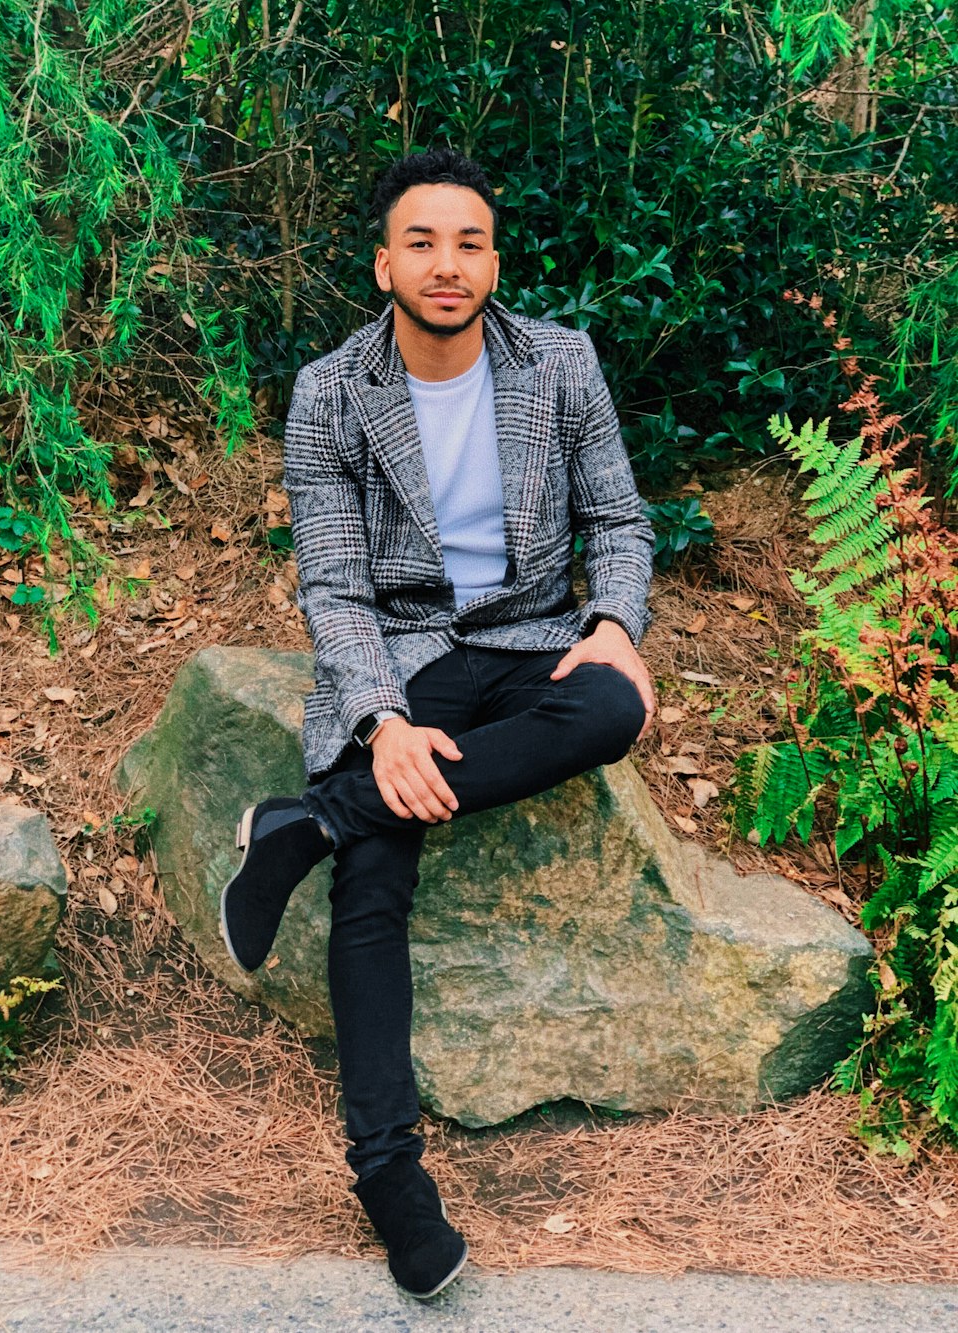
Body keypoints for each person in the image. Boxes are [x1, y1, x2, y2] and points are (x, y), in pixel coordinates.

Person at [220, 148, 656, 1299]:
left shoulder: (559, 363)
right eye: (421, 241)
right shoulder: (333, 389)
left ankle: (302, 825)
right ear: (383, 264)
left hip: (524, 642)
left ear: (493, 261)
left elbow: (617, 515)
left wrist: (612, 621)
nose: (445, 263)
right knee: (376, 882)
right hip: (404, 654)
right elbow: (334, 589)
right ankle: (387, 1176)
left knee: (611, 703)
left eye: (467, 242)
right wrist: (378, 721)